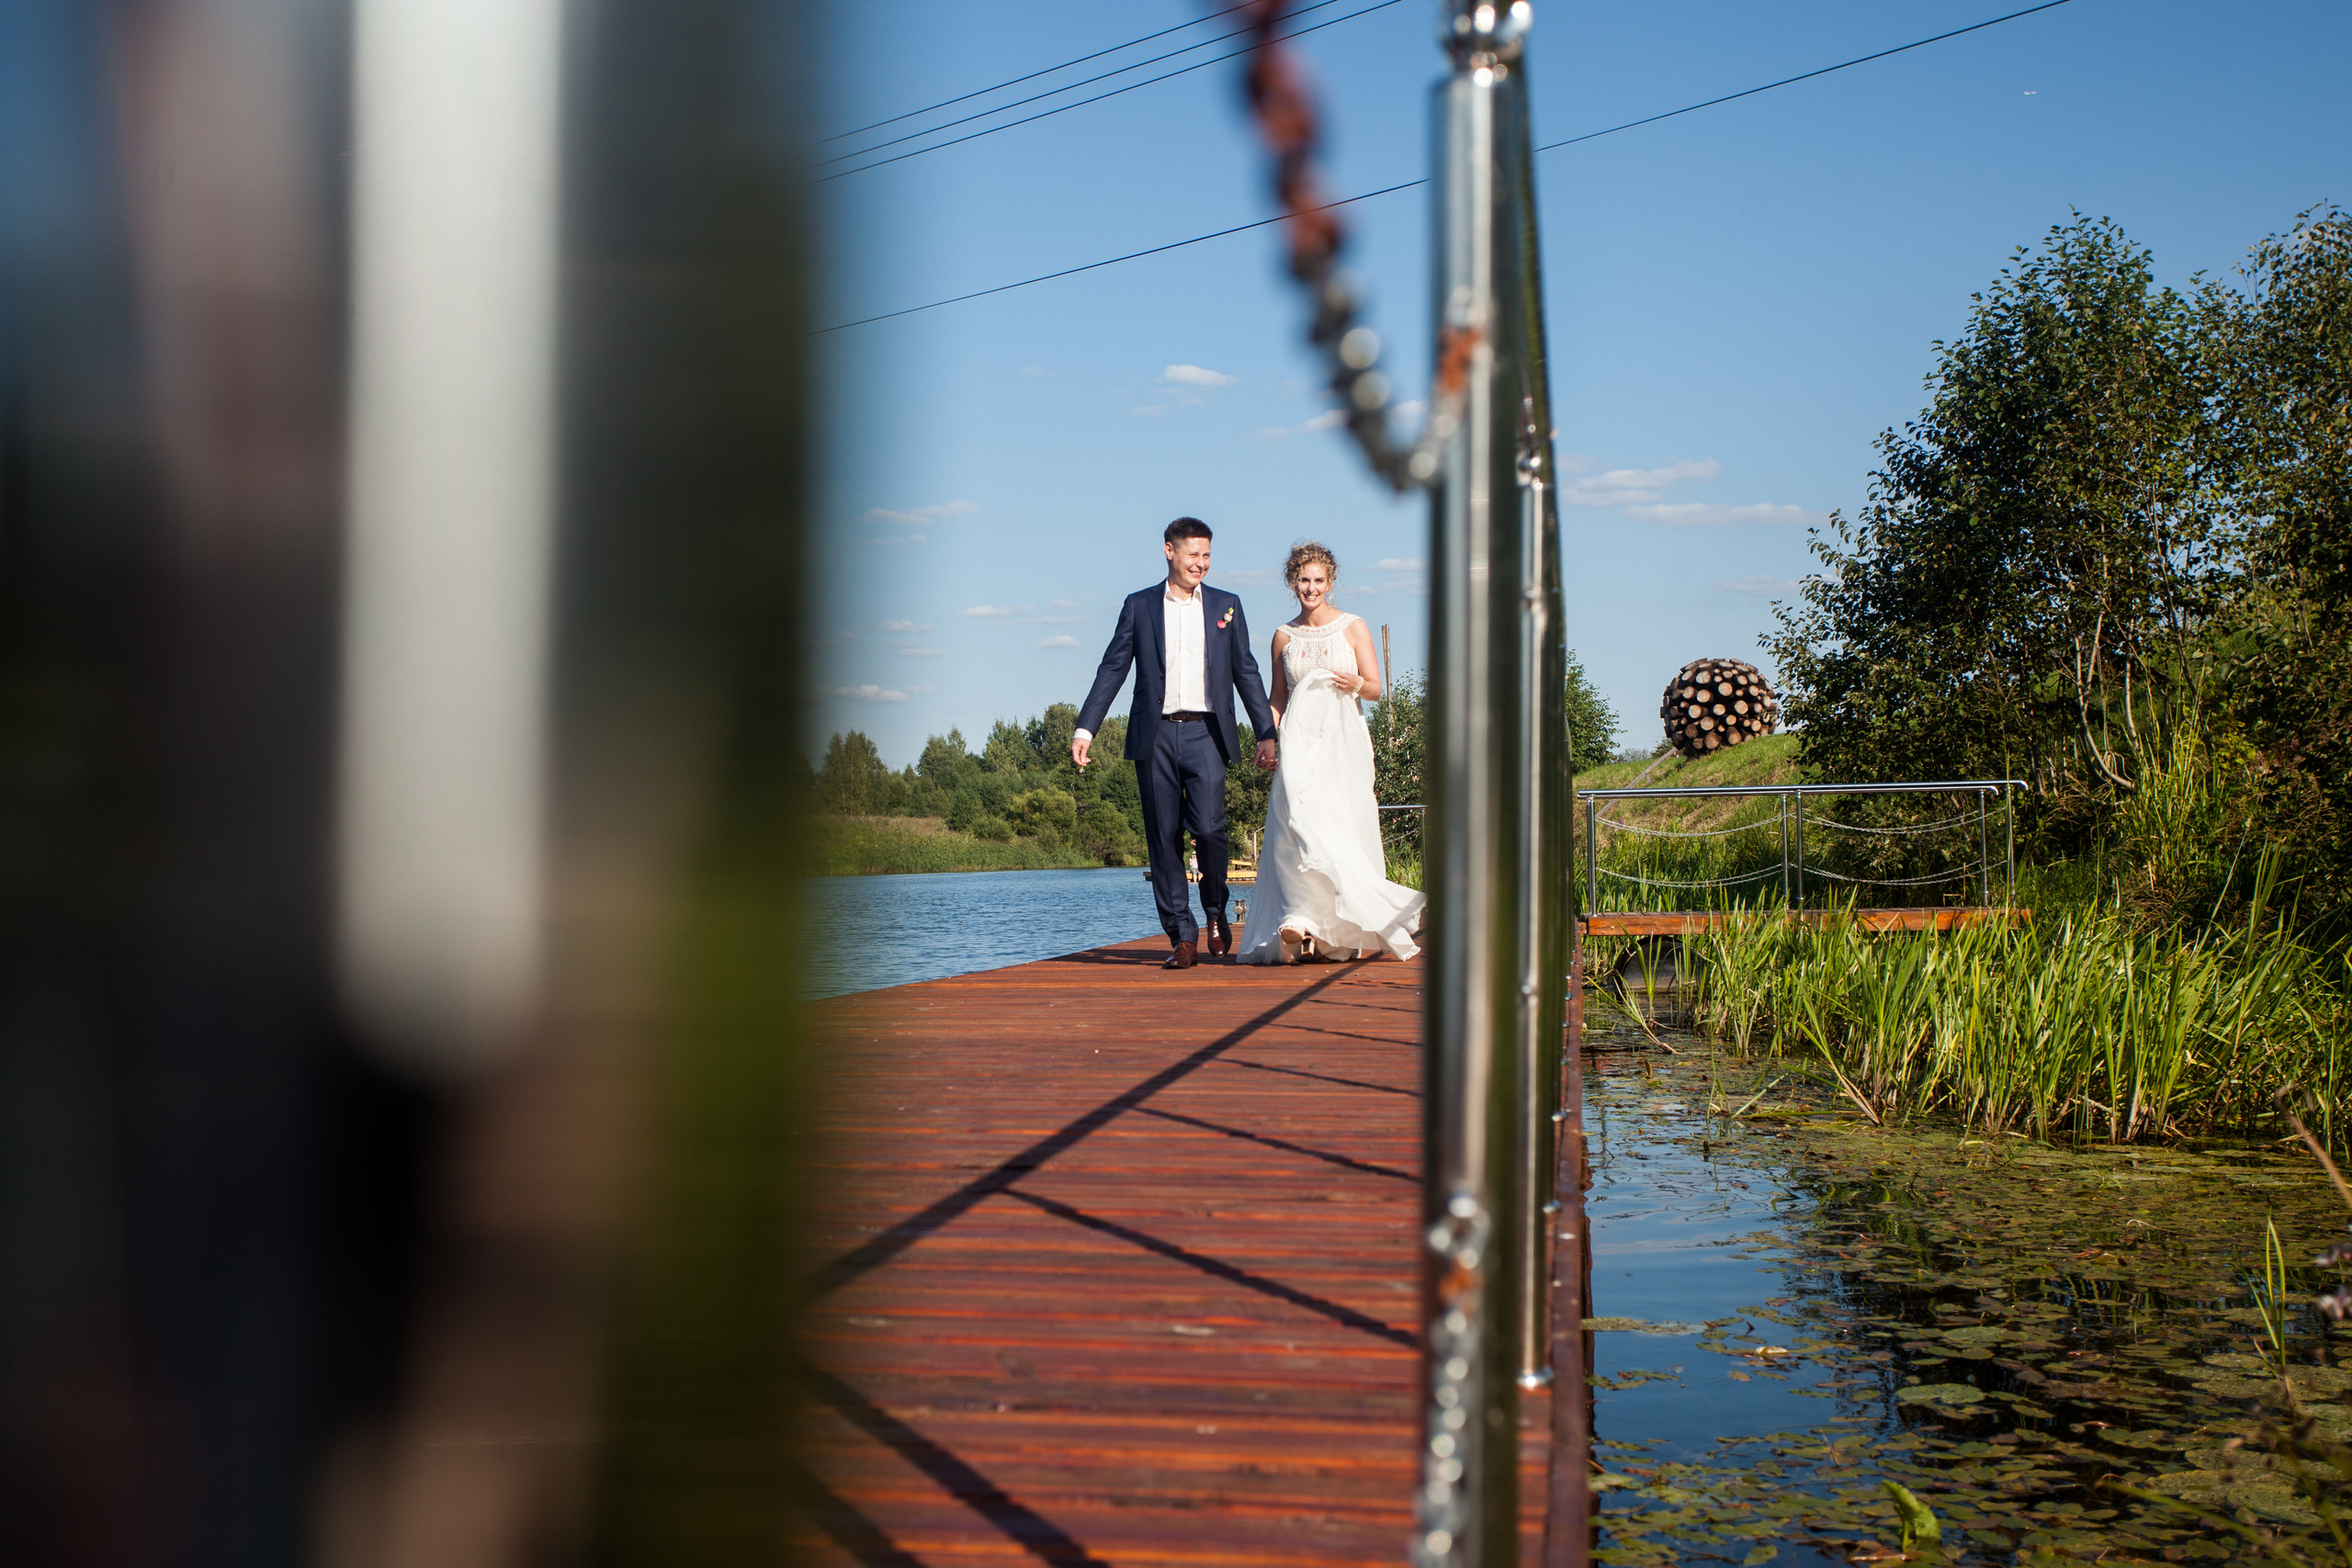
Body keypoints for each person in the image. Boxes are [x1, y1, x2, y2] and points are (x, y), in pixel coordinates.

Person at [1072, 518, 1277, 970]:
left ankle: (1215, 912)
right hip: (1156, 733)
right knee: (1163, 838)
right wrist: (1086, 727)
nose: (1200, 564)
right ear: (1170, 551)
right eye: (1192, 555)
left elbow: (1245, 670)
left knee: (1209, 828)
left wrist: (1266, 731)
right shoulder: (1139, 606)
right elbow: (1113, 668)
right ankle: (1182, 936)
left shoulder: (1227, 605)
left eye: (1206, 556)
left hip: (1207, 731)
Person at [1235, 542, 1424, 964]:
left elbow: (1376, 688)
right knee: (1295, 827)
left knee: (1340, 827)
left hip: (1343, 742)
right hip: (1300, 744)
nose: (1311, 588)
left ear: (1331, 583)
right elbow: (1277, 699)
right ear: (1292, 583)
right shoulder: (1284, 636)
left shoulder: (1353, 626)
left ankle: (1340, 928)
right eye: (1304, 580)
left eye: (1318, 580)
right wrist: (1266, 736)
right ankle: (1300, 917)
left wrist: (1353, 682)